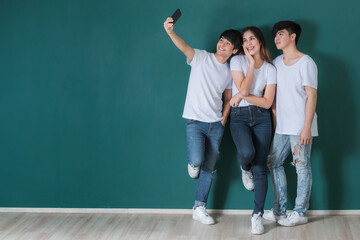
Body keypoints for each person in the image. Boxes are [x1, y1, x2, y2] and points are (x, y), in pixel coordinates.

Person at [163, 17, 242, 225]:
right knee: (197, 162)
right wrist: (170, 32)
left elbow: (228, 98)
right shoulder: (201, 57)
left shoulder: (229, 72)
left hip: (216, 124)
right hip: (195, 121)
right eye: (221, 40)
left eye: (227, 43)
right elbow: (185, 47)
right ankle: (192, 162)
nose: (222, 44)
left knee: (209, 168)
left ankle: (199, 207)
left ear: (234, 50)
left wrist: (223, 118)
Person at [264, 21, 318, 227]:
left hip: (300, 125)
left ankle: (300, 212)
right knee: (273, 162)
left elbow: (312, 96)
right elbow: (276, 97)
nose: (276, 38)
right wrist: (276, 119)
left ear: (293, 36)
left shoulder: (306, 62)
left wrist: (307, 127)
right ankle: (279, 210)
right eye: (275, 35)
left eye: (281, 34)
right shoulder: (276, 62)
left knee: (302, 167)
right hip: (282, 126)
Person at [229, 26, 276, 234]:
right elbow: (246, 88)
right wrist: (249, 65)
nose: (248, 43)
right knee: (247, 153)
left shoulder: (270, 68)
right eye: (245, 40)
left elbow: (267, 103)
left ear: (260, 41)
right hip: (239, 117)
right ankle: (243, 167)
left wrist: (239, 96)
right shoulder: (237, 61)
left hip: (262, 118)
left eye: (252, 38)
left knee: (260, 166)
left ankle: (257, 215)